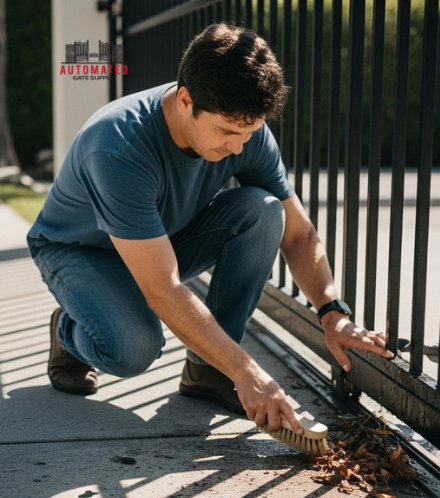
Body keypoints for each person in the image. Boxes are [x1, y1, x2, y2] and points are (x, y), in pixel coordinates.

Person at [27, 24, 393, 436]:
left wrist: (331, 312)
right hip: (79, 252)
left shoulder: (242, 129)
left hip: (159, 241)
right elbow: (162, 288)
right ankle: (70, 328)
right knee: (133, 350)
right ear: (185, 100)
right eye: (228, 133)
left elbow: (297, 231)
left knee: (264, 209)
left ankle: (208, 374)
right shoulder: (117, 147)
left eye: (249, 133)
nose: (238, 148)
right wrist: (247, 370)